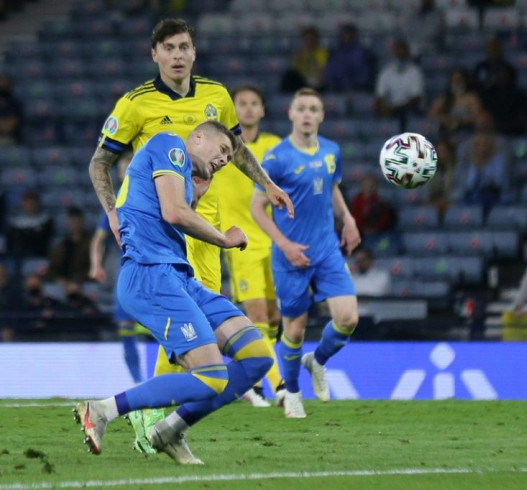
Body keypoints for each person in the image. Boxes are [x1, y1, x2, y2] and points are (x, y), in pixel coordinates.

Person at [90, 18, 293, 454]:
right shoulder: (136, 104)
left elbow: (235, 150)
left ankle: (169, 424)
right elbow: (99, 163)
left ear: (194, 53)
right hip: (161, 229)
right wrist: (111, 211)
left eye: (185, 47)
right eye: (169, 48)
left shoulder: (216, 97)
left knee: (212, 336)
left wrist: (267, 185)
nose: (178, 55)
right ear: (156, 55)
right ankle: (144, 414)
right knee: (186, 331)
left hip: (205, 228)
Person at [74, 121, 274, 465]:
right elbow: (173, 213)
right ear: (197, 137)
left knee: (257, 357)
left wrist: (194, 194)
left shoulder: (182, 175)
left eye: (229, 155)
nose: (226, 159)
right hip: (150, 275)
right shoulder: (169, 143)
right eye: (222, 150)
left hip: (180, 277)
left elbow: (172, 212)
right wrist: (224, 238)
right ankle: (104, 409)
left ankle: (169, 431)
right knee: (211, 377)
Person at [251, 88, 361, 418]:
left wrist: (349, 218)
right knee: (294, 331)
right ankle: (294, 393)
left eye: (314, 108)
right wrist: (283, 244)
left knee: (348, 318)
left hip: (327, 249)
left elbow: (332, 186)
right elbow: (257, 208)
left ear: (322, 115)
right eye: (302, 108)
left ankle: (319, 361)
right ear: (291, 114)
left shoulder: (332, 151)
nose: (308, 114)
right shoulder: (276, 157)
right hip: (291, 255)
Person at [211, 85, 284, 408]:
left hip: (276, 240)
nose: (249, 109)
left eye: (255, 103)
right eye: (242, 104)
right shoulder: (220, 148)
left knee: (274, 317)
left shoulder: (274, 146)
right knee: (255, 314)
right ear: (233, 110)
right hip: (241, 242)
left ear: (263, 110)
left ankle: (250, 382)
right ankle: (280, 386)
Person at [89, 151, 145, 385]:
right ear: (121, 174)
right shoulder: (116, 202)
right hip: (128, 272)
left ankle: (172, 380)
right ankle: (138, 383)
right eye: (125, 167)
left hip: (152, 270)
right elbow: (98, 238)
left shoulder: (154, 196)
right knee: (126, 330)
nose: (129, 170)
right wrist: (95, 264)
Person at [375, 39, 425, 130]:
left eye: (403, 52)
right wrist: (382, 108)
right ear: (395, 53)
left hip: (408, 110)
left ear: (408, 53)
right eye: (399, 51)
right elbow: (380, 95)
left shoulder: (415, 72)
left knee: (406, 114)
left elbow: (416, 98)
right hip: (390, 109)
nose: (401, 54)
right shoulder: (386, 72)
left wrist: (396, 109)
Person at [455, 131, 508, 215]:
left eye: (484, 145)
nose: (480, 148)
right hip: (472, 196)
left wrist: (482, 167)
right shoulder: (468, 162)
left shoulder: (498, 160)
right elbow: (467, 184)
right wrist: (476, 165)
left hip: (493, 195)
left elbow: (499, 182)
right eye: (477, 145)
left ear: (489, 147)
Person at [427, 68, 483, 141]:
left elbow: (478, 117)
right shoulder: (443, 99)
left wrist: (460, 121)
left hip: (466, 134)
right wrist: (446, 119)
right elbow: (430, 114)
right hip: (445, 136)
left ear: (465, 81)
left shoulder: (471, 98)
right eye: (454, 80)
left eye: (459, 80)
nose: (456, 83)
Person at [46, 207, 92, 285]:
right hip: (61, 280)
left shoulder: (90, 244)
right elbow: (53, 266)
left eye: (77, 221)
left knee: (73, 289)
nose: (75, 225)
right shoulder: (61, 244)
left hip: (80, 281)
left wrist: (76, 279)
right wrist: (58, 278)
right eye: (72, 221)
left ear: (82, 222)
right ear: (67, 223)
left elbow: (90, 267)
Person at [324, 24, 375, 93]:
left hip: (360, 91)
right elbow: (331, 72)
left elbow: (364, 74)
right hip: (338, 91)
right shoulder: (335, 53)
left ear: (354, 36)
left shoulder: (363, 52)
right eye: (345, 35)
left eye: (350, 35)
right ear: (341, 36)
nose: (347, 38)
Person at [7, 190, 54, 258]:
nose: (30, 205)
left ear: (37, 203)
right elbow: (11, 242)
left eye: (32, 203)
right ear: (23, 204)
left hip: (39, 256)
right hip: (18, 256)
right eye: (27, 203)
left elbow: (43, 241)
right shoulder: (16, 222)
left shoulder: (46, 221)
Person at [281, 26, 328, 92]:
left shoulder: (322, 52)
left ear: (316, 40)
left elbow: (321, 70)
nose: (309, 42)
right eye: (306, 39)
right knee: (289, 75)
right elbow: (294, 67)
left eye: (311, 39)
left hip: (316, 83)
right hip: (303, 81)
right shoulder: (301, 53)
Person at [0, 74, 22, 145]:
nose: (2, 83)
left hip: (12, 138)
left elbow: (10, 126)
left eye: (4, 81)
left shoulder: (14, 102)